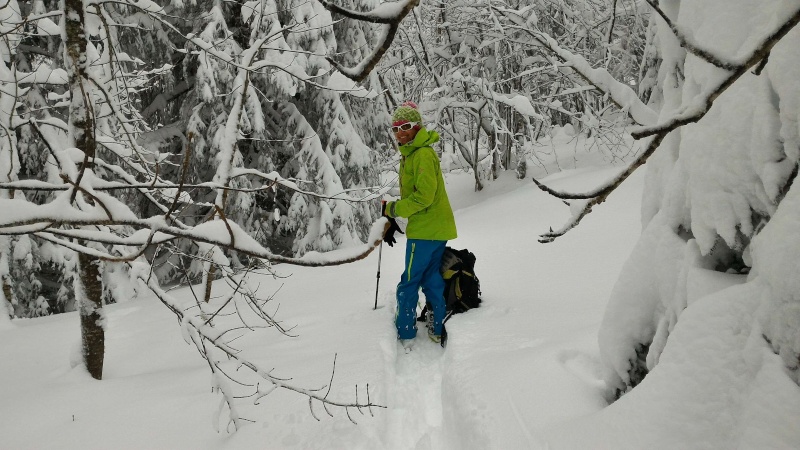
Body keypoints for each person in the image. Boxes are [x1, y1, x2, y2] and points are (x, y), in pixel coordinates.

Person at [383, 101, 457, 346]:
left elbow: (424, 196)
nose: (400, 132)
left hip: (426, 231)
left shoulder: (421, 154)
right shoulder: (415, 152)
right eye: (395, 128)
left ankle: (405, 331)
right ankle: (436, 327)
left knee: (410, 280)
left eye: (406, 126)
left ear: (417, 127)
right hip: (436, 228)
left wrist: (394, 209)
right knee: (430, 277)